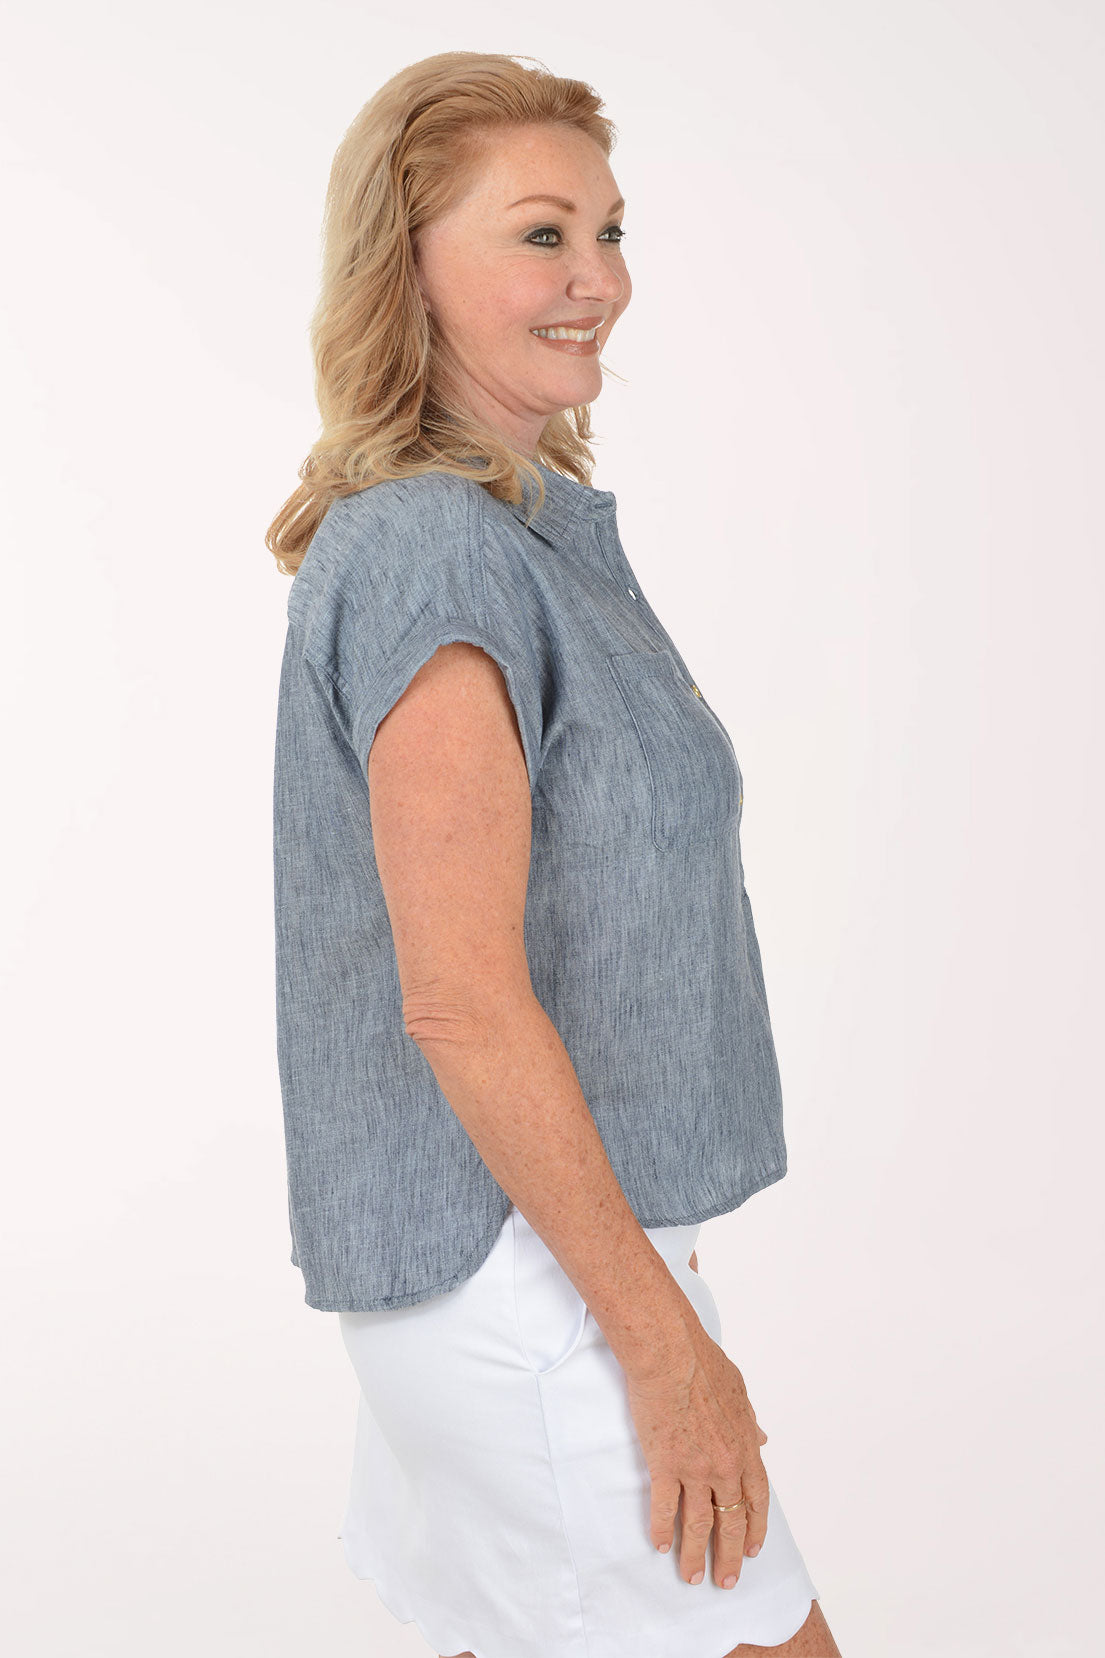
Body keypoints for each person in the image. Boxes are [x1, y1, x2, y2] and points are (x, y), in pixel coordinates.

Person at [268, 50, 843, 1658]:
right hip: (526, 1290)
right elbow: (457, 998)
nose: (597, 279)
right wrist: (664, 1350)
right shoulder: (436, 545)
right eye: (539, 235)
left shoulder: (508, 527)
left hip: (530, 1266)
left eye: (606, 229)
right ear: (410, 262)